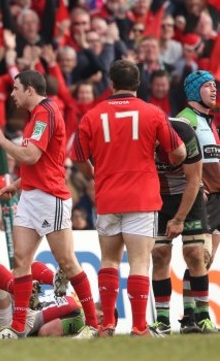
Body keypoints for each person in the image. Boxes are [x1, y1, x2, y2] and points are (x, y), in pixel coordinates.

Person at [71, 59, 185, 337]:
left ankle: (107, 324)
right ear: (137, 84)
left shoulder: (92, 115)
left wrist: (97, 175)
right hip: (142, 196)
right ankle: (138, 327)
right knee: (139, 261)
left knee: (109, 260)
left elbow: (77, 157)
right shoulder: (153, 113)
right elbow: (179, 153)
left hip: (108, 196)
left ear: (110, 84)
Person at [0, 70, 100, 339]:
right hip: (30, 196)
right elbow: (42, 161)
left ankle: (94, 325)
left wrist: (1, 140)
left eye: (16, 88)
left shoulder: (46, 113)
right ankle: (17, 328)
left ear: (29, 90)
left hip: (51, 198)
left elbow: (30, 155)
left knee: (67, 262)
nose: (12, 94)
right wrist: (16, 184)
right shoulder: (35, 117)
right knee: (22, 260)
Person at [152, 117, 216, 335]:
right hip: (158, 197)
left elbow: (193, 180)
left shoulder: (184, 132)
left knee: (195, 253)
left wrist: (179, 219)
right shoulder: (140, 135)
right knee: (159, 254)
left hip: (189, 194)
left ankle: (203, 317)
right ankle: (162, 321)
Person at [175, 70, 220, 333]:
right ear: (193, 91)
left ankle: (191, 316)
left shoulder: (210, 121)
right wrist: (196, 184)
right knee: (198, 256)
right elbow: (177, 156)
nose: (214, 90)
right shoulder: (185, 119)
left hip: (217, 198)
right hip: (203, 196)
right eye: (207, 86)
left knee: (207, 259)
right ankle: (192, 318)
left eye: (215, 86)